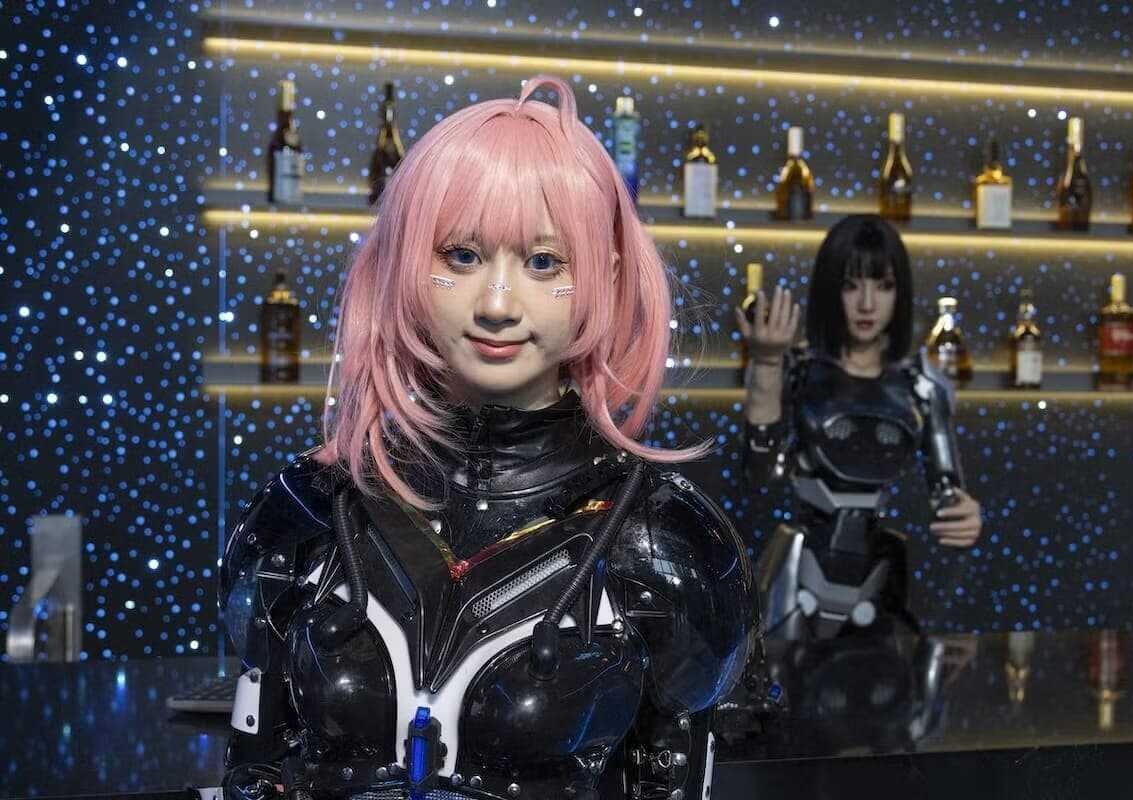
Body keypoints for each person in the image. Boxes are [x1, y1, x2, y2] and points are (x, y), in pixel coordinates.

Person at [218, 74, 755, 800]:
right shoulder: (307, 513)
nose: (498, 305)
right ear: (405, 263)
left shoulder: (663, 540)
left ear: (605, 276)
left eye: (544, 262)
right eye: (462, 256)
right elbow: (254, 772)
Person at [735, 214, 982, 640]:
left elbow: (948, 493)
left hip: (880, 578)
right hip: (801, 572)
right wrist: (768, 363)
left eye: (883, 286)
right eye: (851, 285)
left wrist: (966, 515)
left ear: (900, 293)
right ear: (830, 289)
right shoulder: (797, 371)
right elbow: (760, 472)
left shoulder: (922, 387)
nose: (867, 304)